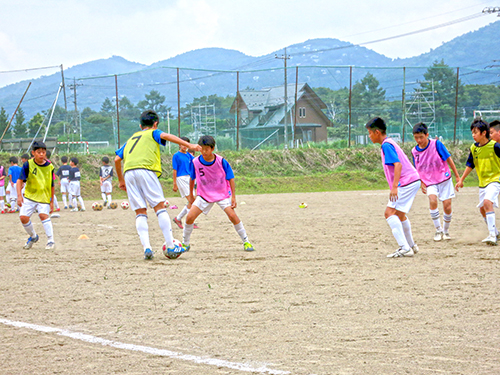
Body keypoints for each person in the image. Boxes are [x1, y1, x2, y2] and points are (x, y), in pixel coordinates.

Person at [114, 109, 202, 260]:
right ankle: (170, 245)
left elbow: (117, 159)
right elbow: (166, 136)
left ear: (140, 125)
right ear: (155, 124)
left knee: (140, 211)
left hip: (129, 172)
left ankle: (147, 248)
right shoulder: (152, 132)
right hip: (145, 170)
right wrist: (190, 145)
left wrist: (121, 180)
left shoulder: (131, 138)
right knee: (159, 207)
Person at [182, 135, 254, 252]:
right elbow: (192, 178)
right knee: (190, 217)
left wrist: (233, 197)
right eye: (202, 149)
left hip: (222, 194)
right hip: (204, 195)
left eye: (207, 149)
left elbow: (230, 178)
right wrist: (191, 195)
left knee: (232, 216)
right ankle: (185, 244)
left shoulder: (221, 161)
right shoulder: (195, 162)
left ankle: (246, 242)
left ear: (213, 148)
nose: (204, 151)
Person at [366, 117, 421, 257]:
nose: (369, 136)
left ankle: (405, 248)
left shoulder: (386, 145)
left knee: (389, 213)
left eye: (370, 133)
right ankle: (412, 246)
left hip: (406, 182)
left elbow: (398, 165)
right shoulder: (389, 143)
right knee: (400, 214)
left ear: (377, 132)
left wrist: (395, 187)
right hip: (413, 179)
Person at [412, 123, 460, 241]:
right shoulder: (414, 151)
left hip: (444, 179)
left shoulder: (436, 144)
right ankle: (438, 230)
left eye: (421, 137)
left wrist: (457, 176)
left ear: (427, 135)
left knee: (447, 206)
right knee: (432, 200)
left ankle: (446, 231)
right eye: (416, 137)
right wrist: (421, 182)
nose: (419, 140)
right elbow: (417, 168)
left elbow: (448, 158)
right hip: (429, 182)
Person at [456, 119, 500, 245]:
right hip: (483, 183)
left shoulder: (495, 146)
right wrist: (461, 180)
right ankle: (496, 232)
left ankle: (492, 235)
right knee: (482, 209)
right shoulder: (474, 148)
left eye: (475, 132)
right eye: (472, 132)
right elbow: (470, 164)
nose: (473, 135)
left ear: (484, 133)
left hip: (496, 180)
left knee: (487, 202)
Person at [17, 141, 56, 250]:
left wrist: (51, 201)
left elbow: (52, 185)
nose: (41, 154)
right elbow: (20, 181)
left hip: (43, 197)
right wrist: (19, 196)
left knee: (43, 215)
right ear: (33, 153)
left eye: (43, 152)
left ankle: (50, 240)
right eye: (39, 152)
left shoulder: (50, 166)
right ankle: (34, 236)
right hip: (29, 196)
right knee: (23, 218)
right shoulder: (28, 164)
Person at [172, 137, 199, 229]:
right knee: (192, 200)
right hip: (181, 179)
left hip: (189, 179)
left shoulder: (189, 155)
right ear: (179, 144)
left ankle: (178, 218)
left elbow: (197, 162)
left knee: (192, 200)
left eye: (186, 144)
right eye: (182, 144)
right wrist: (174, 183)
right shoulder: (176, 156)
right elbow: (174, 170)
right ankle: (190, 222)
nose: (184, 146)